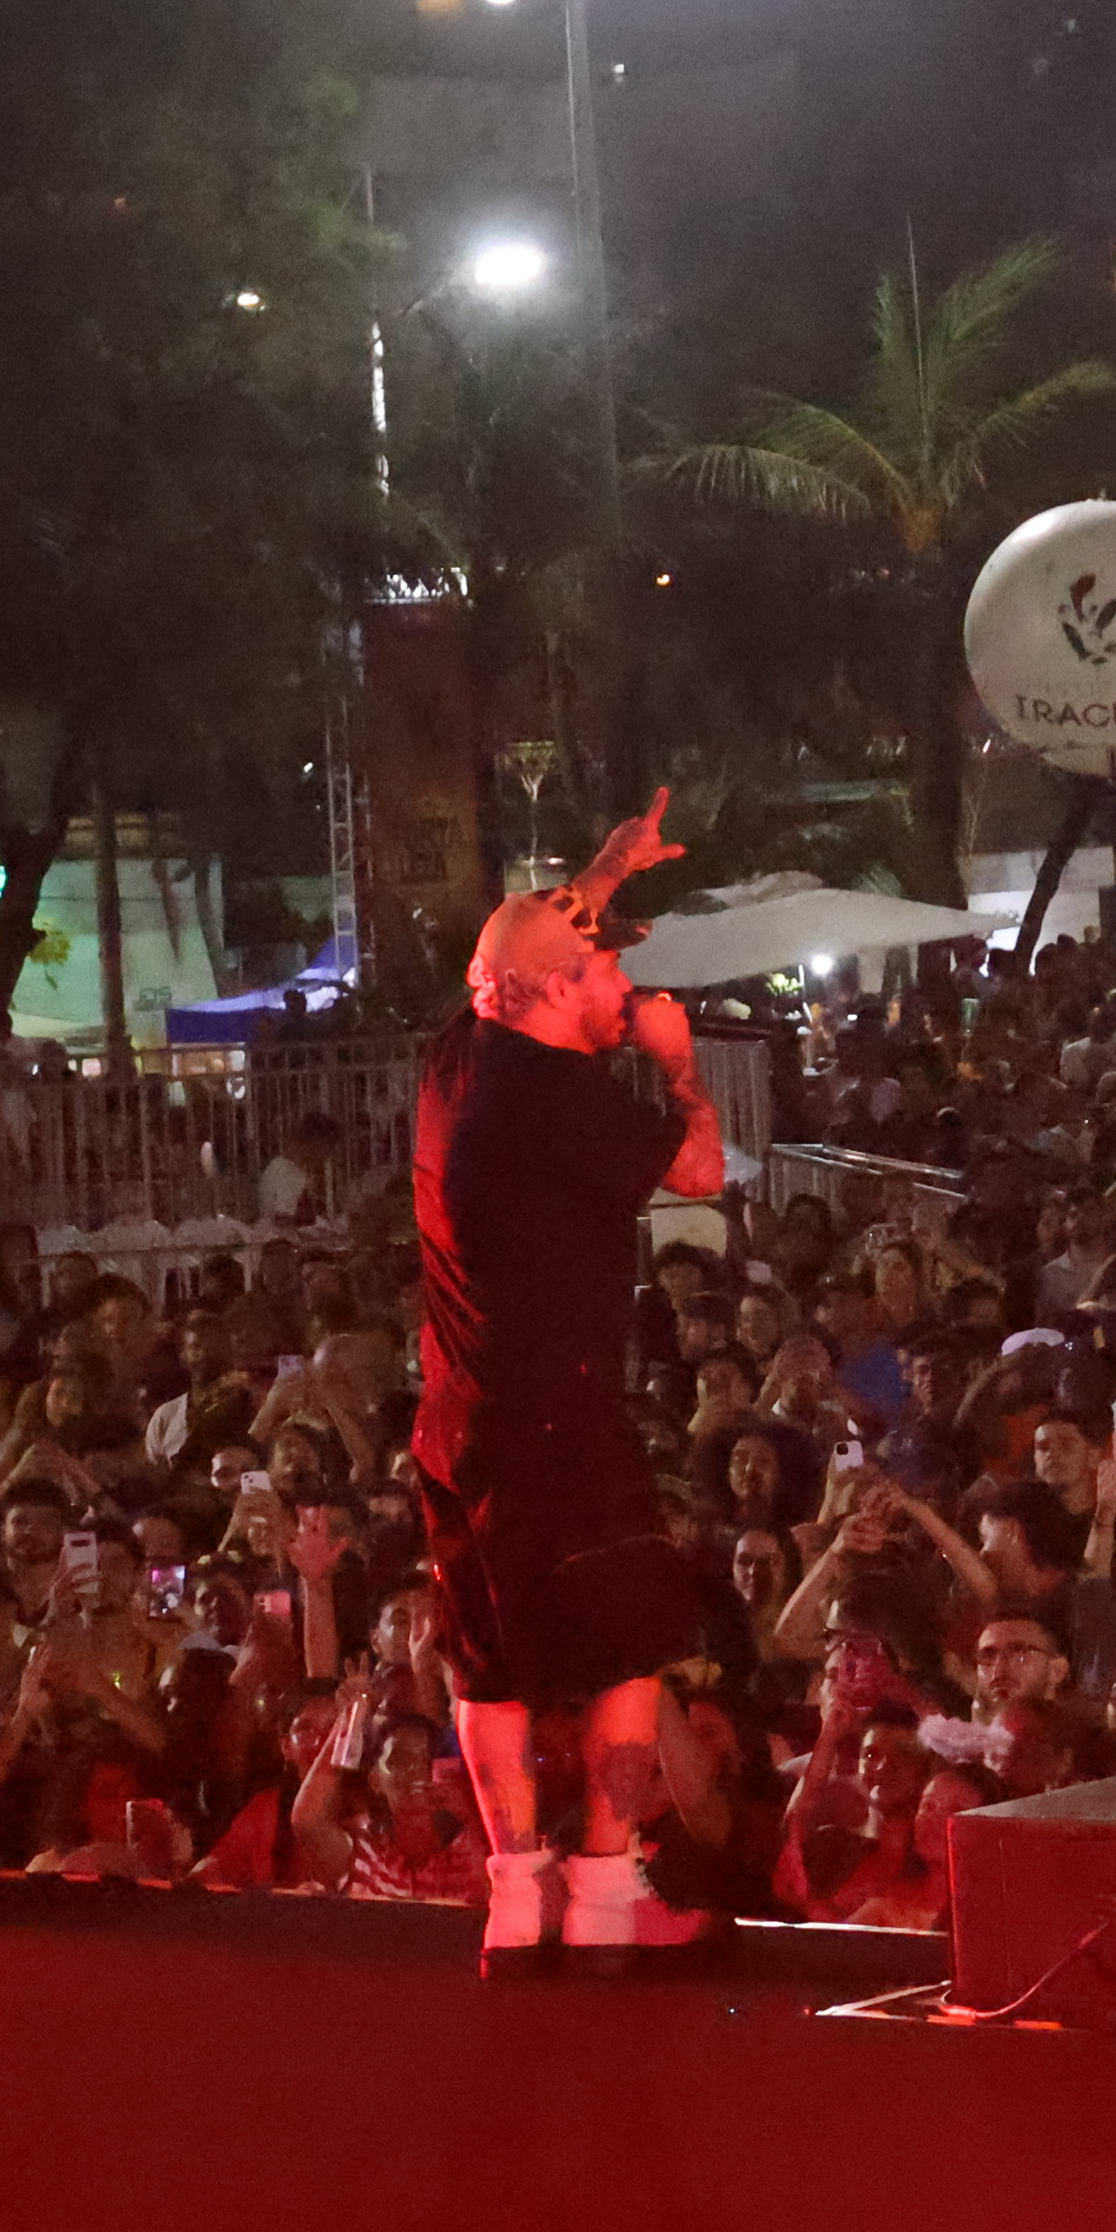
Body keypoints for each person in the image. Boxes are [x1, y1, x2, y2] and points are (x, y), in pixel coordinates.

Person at [410, 804, 730, 1971]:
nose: (618, 980)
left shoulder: (458, 1061)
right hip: (565, 1413)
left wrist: (601, 872)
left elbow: (515, 947)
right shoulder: (565, 1096)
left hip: (459, 1413)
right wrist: (676, 1059)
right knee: (623, 1646)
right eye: (603, 971)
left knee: (486, 1656)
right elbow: (700, 1168)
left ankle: (515, 1895)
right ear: (552, 995)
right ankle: (603, 1892)